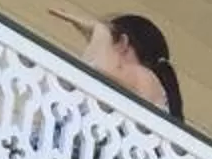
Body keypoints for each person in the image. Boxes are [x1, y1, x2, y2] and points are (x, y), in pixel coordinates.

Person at [50, 8, 183, 120]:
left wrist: (101, 32)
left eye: (106, 46)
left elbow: (87, 76)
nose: (99, 49)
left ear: (122, 43)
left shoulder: (143, 76)